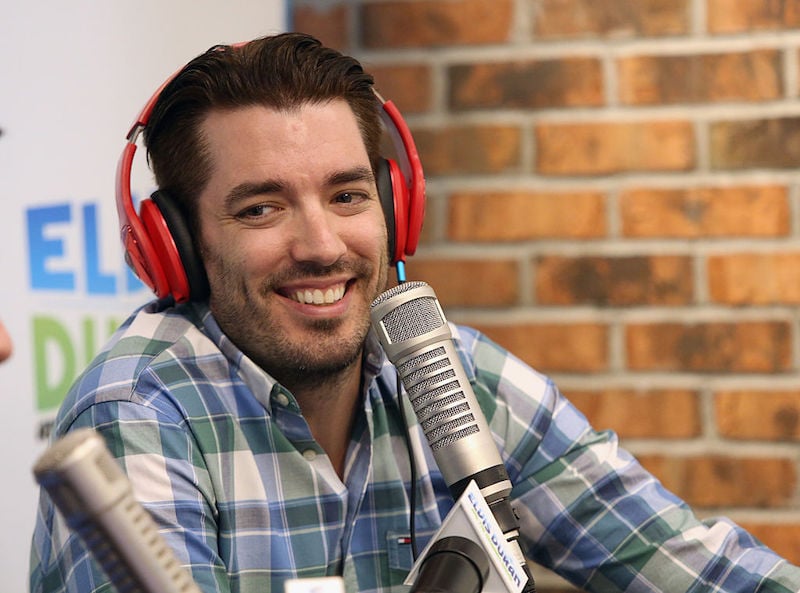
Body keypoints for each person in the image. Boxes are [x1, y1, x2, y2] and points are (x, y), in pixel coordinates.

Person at [30, 32, 800, 593]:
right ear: (176, 248)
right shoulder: (136, 411)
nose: (323, 244)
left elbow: (700, 567)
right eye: (262, 208)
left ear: (397, 207)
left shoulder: (446, 370)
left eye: (347, 195)